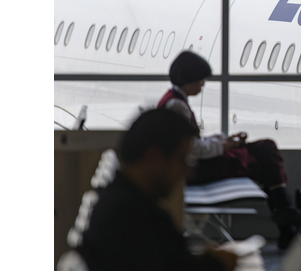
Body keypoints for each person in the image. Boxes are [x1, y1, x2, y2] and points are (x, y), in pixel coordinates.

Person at [160, 51, 301, 250]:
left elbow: (191, 142)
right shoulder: (176, 106)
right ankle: (285, 215)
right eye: (200, 80)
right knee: (264, 158)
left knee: (266, 149)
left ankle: (285, 219)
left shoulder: (174, 101)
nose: (203, 84)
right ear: (188, 79)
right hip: (197, 171)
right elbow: (191, 148)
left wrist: (224, 140)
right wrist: (224, 146)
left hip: (199, 165)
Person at [77, 109, 239, 271]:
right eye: (182, 161)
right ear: (153, 157)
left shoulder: (120, 206)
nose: (188, 173)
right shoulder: (133, 220)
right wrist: (217, 266)